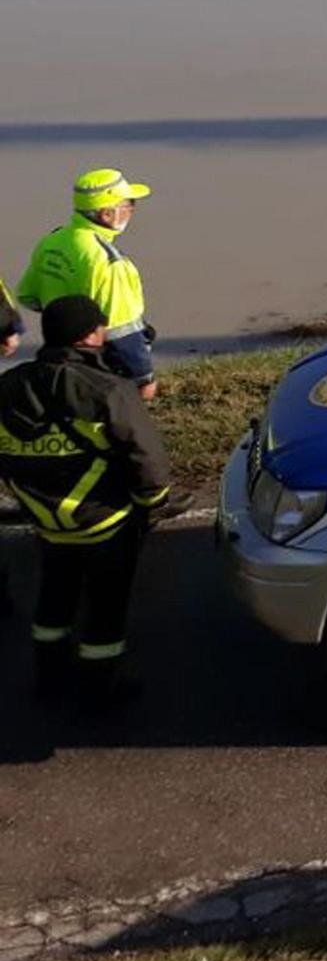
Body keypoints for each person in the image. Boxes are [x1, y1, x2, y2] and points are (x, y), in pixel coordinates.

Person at [0, 296, 174, 708]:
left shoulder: (9, 386)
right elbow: (147, 457)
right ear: (91, 335)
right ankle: (99, 690)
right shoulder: (109, 390)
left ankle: (49, 679)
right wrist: (152, 502)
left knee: (54, 597)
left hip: (46, 522)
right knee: (105, 608)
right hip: (106, 521)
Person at [20, 168, 161, 401]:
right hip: (99, 370)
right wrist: (144, 378)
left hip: (56, 361)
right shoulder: (109, 263)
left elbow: (29, 297)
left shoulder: (52, 241)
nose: (132, 210)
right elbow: (122, 332)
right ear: (107, 214)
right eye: (128, 204)